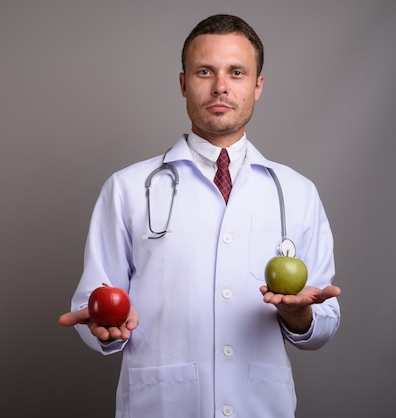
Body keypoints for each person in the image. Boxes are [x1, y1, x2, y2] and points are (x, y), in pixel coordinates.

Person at [58, 13, 341, 418]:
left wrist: (302, 316)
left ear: (258, 85)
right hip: (160, 406)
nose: (221, 86)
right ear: (183, 83)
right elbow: (93, 304)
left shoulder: (297, 193)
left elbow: (324, 321)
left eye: (237, 72)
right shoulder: (127, 188)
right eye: (205, 71)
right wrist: (104, 330)